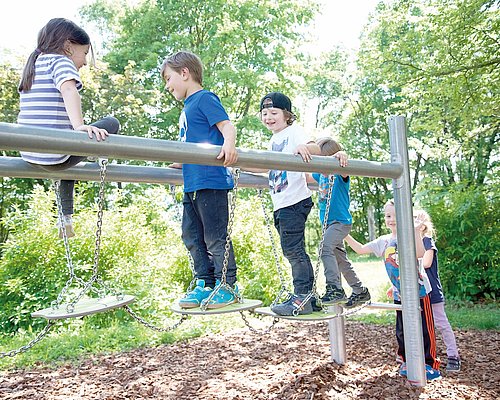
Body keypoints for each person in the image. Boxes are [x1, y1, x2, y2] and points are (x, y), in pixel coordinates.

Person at [17, 18, 120, 238]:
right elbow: (69, 91)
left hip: (28, 152)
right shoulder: (60, 61)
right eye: (84, 54)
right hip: (54, 154)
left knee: (67, 150)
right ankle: (98, 153)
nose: (83, 62)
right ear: (68, 46)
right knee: (111, 123)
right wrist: (80, 126)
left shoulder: (32, 66)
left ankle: (65, 220)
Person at [161, 51, 239, 309]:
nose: (167, 86)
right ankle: (204, 283)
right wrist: (181, 162)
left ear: (184, 73)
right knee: (191, 236)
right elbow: (191, 142)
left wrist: (229, 145)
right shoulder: (186, 108)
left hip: (211, 181)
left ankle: (226, 284)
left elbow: (227, 126)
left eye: (168, 78)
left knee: (215, 236)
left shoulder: (204, 98)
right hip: (191, 182)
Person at [345, 200, 441, 380]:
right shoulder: (384, 241)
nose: (392, 219)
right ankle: (407, 361)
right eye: (388, 216)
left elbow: (420, 254)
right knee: (402, 330)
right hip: (399, 293)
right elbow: (359, 249)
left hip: (420, 291)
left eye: (396, 215)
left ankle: (430, 364)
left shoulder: (410, 236)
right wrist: (345, 234)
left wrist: (417, 231)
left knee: (425, 329)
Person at [251, 91, 324, 316]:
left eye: (274, 112)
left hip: (294, 201)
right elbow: (266, 167)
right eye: (264, 113)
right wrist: (240, 166)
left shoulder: (294, 132)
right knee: (293, 250)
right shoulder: (273, 140)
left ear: (287, 115)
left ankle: (302, 297)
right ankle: (310, 298)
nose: (268, 117)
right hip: (281, 203)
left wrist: (305, 149)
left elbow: (316, 148)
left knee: (293, 250)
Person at [310, 137, 371, 308]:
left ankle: (334, 288)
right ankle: (360, 291)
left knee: (324, 248)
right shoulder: (320, 175)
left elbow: (344, 165)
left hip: (340, 222)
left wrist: (341, 154)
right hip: (328, 225)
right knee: (341, 260)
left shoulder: (340, 174)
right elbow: (305, 174)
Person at [413, 208, 461, 372]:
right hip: (417, 291)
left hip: (432, 291)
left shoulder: (427, 241)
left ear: (422, 225)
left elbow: (425, 263)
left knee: (441, 324)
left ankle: (453, 355)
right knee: (421, 325)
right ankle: (423, 356)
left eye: (416, 221)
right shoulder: (410, 243)